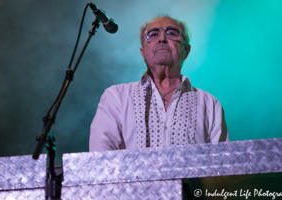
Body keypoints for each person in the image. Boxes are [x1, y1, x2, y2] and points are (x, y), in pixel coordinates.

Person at [89, 15, 229, 152]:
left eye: (172, 33)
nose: (162, 39)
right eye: (153, 34)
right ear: (143, 53)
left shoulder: (209, 104)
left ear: (186, 50)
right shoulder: (116, 97)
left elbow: (223, 165)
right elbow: (99, 159)